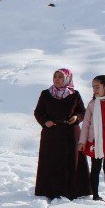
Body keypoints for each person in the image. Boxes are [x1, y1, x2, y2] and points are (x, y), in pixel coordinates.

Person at [33, 69, 91, 201]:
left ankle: (73, 190)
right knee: (51, 161)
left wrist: (76, 117)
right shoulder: (46, 94)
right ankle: (49, 190)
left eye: (60, 77)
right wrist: (44, 121)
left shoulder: (74, 94)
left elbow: (82, 111)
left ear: (67, 79)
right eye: (55, 76)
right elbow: (38, 112)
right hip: (51, 133)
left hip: (70, 133)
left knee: (70, 161)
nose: (57, 79)